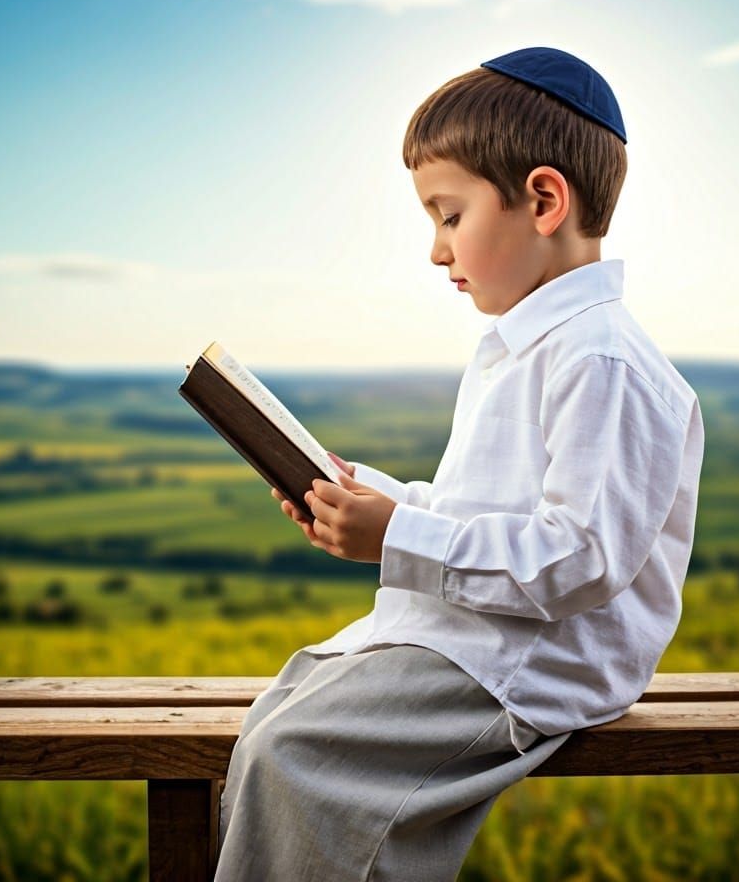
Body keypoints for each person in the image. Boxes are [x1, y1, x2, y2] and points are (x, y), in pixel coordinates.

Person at [213, 46, 706, 882]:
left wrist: (395, 536)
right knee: (273, 717)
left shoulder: (602, 360)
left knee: (296, 755)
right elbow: (486, 512)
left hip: (532, 663)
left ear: (544, 200)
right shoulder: (523, 346)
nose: (437, 251)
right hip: (480, 637)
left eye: (448, 215)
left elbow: (580, 558)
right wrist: (373, 497)